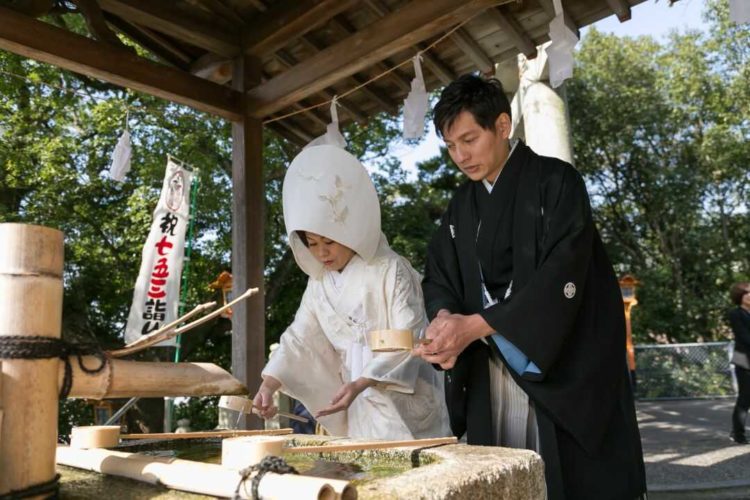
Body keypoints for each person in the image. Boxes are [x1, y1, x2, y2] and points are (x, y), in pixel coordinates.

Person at [413, 74, 646, 500]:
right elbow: (439, 276)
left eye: (469, 139)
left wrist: (480, 324)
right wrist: (446, 319)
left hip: (557, 366)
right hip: (489, 371)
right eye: (450, 146)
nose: (460, 156)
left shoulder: (556, 183)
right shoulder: (460, 207)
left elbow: (564, 274)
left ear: (502, 126)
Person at [253, 144, 450, 440]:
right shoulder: (319, 283)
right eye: (312, 243)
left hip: (399, 399)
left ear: (349, 231)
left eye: (328, 242)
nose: (321, 253)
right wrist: (269, 385)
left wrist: (361, 382)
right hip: (355, 401)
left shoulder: (390, 269)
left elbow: (407, 333)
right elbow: (300, 337)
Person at [728, 283, 750, 445]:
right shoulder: (735, 314)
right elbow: (743, 337)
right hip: (744, 359)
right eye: (747, 293)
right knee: (745, 398)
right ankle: (738, 434)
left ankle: (737, 430)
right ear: (740, 296)